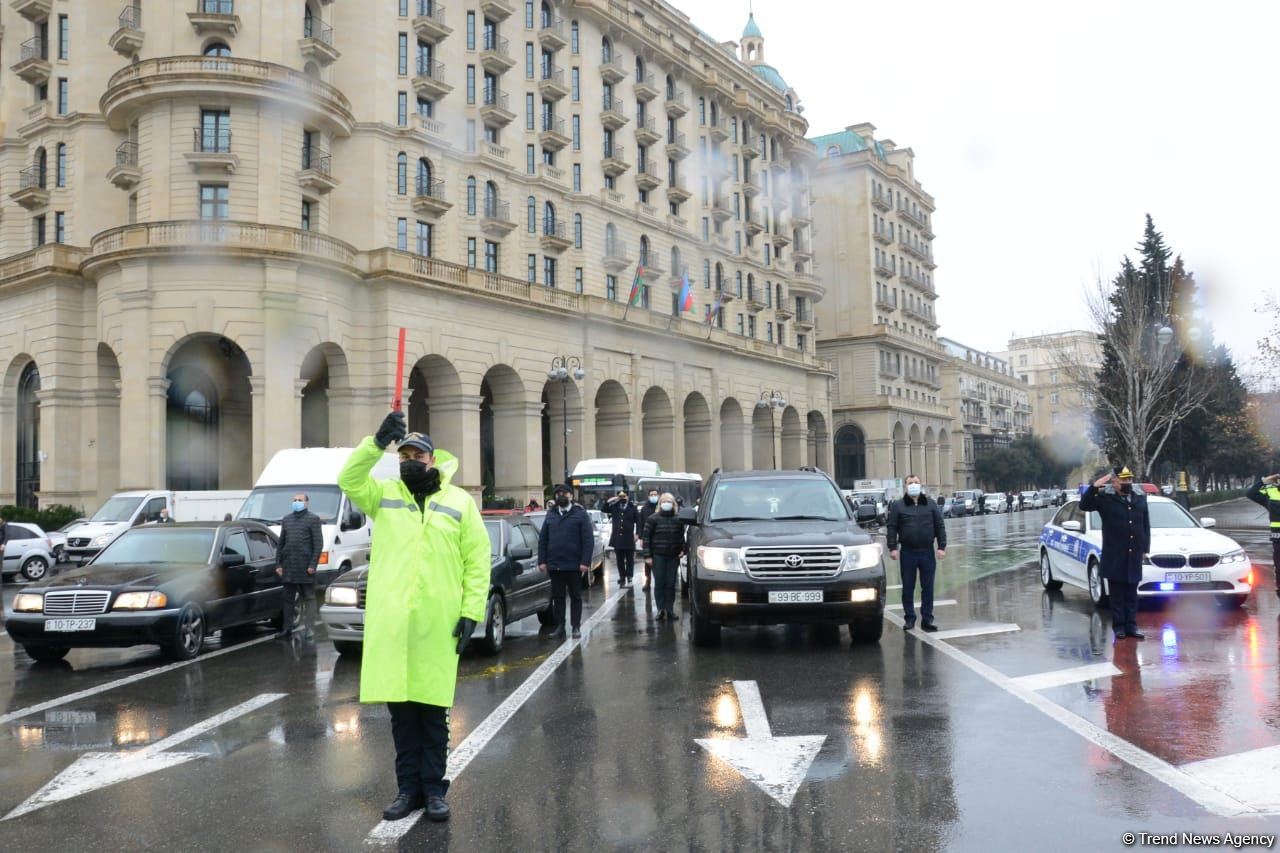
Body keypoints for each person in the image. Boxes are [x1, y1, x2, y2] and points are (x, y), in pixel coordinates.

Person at [338, 412, 490, 824]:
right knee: (402, 719)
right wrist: (375, 444)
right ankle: (407, 790)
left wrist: (471, 612)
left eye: (417, 455)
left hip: (436, 627)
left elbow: (477, 562)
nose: (410, 461)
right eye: (403, 454)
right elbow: (348, 481)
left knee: (433, 715)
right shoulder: (384, 496)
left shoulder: (459, 503)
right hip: (394, 628)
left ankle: (434, 790)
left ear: (433, 459)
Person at [1080, 467, 1151, 642]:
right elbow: (1084, 505)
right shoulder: (1105, 499)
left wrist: (1145, 549)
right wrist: (1095, 486)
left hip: (1134, 553)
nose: (1127, 483)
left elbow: (1145, 526)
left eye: (1129, 480)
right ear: (1114, 482)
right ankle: (1119, 627)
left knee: (1132, 593)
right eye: (1123, 480)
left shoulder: (1140, 498)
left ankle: (1131, 626)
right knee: (1117, 594)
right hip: (1115, 554)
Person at [886, 474, 947, 632]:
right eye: (910, 483)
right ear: (905, 486)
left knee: (928, 588)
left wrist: (941, 547)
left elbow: (940, 526)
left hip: (927, 552)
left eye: (916, 482)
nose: (914, 485)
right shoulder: (898, 506)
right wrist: (893, 548)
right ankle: (909, 618)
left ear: (921, 485)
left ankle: (927, 619)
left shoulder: (931, 504)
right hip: (908, 552)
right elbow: (891, 528)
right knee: (908, 587)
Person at [537, 483, 594, 639]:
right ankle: (560, 627)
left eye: (564, 493)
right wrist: (542, 561)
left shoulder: (580, 514)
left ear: (571, 496)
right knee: (558, 598)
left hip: (575, 565)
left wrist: (585, 562)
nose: (561, 496)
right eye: (558, 494)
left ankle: (576, 627)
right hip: (555, 565)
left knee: (576, 596)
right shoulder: (551, 514)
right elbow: (543, 539)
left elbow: (588, 540)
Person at [275, 492, 324, 639]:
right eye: (295, 500)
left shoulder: (313, 519)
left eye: (300, 500)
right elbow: (281, 543)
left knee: (309, 598)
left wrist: (312, 565)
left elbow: (318, 544)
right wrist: (278, 564)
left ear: (307, 503)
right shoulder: (287, 519)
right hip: (289, 566)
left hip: (305, 567)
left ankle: (310, 629)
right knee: (288, 599)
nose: (297, 502)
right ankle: (287, 629)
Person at [643, 492, 686, 621]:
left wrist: (683, 549)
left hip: (673, 556)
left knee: (671, 584)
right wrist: (648, 556)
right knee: (660, 583)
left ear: (673, 504)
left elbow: (682, 537)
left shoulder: (679, 519)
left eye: (669, 502)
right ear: (660, 504)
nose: (666, 504)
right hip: (658, 556)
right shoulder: (653, 519)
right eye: (664, 501)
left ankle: (670, 609)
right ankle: (660, 609)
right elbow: (646, 538)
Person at [1247, 473, 1280, 595]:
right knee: (1279, 565)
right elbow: (1251, 493)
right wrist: (1264, 481)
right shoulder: (1271, 493)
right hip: (1278, 537)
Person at [604, 490, 639, 587]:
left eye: (624, 496)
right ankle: (622, 576)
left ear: (628, 497)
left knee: (629, 559)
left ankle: (630, 576)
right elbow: (604, 509)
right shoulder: (615, 506)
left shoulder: (632, 507)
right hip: (617, 537)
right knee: (619, 559)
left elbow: (638, 522)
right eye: (621, 496)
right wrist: (610, 500)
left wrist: (637, 534)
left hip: (629, 537)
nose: (622, 498)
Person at [637, 487, 660, 591]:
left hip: (660, 539)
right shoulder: (645, 509)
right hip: (648, 539)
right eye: (652, 495)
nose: (654, 496)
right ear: (648, 496)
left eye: (655, 494)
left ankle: (660, 582)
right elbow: (640, 523)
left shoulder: (661, 507)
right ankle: (648, 581)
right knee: (648, 562)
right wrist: (641, 537)